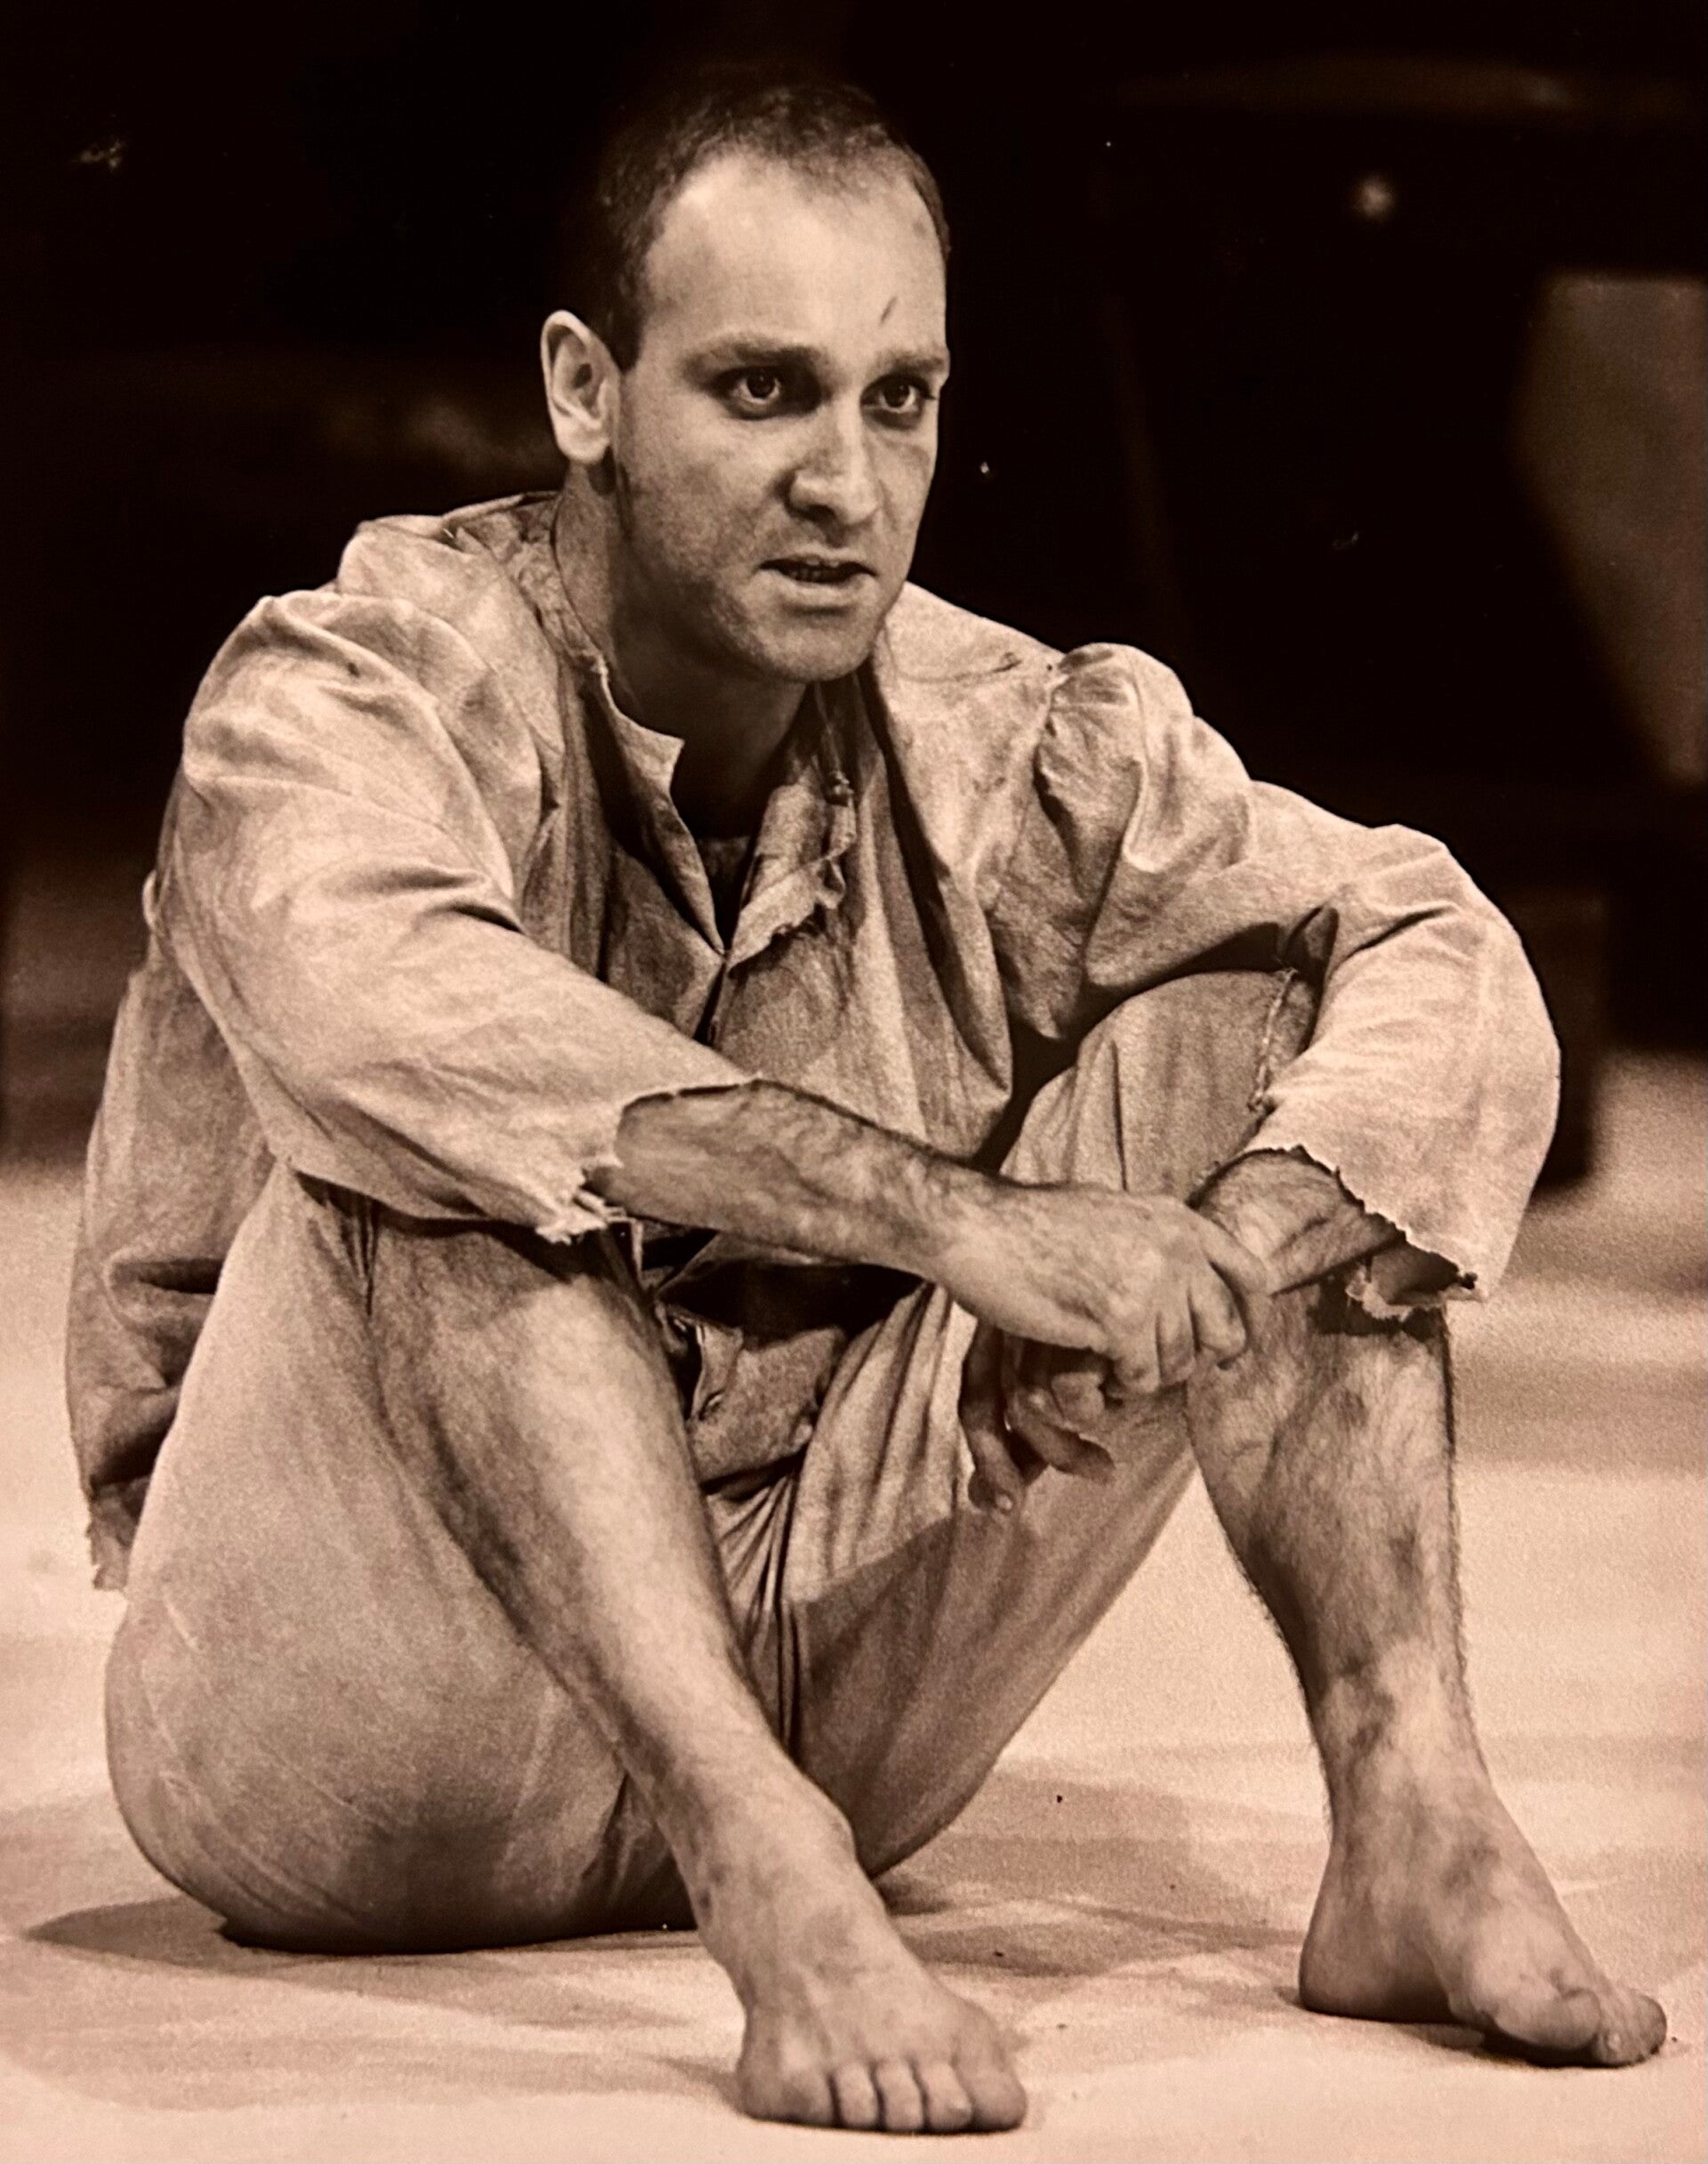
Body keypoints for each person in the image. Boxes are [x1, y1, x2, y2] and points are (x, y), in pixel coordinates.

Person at [67, 63, 1667, 2136]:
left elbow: (1439, 942)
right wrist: (972, 1228)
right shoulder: (351, 681)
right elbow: (383, 1008)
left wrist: (1212, 1255)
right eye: (763, 391)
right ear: (583, 391)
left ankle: (1413, 1813)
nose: (846, 481)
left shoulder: (1001, 731)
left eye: (897, 400)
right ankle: (762, 1871)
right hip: (352, 1731)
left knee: (1265, 994)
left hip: (828, 1679)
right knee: (446, 1130)